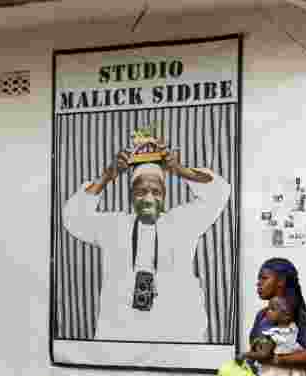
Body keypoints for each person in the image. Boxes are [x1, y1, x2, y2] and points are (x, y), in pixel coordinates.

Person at [62, 135, 230, 342]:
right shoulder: (114, 226)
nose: (149, 198)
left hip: (177, 332)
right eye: (141, 191)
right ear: (131, 195)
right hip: (122, 332)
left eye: (156, 191)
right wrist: (107, 176)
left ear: (164, 195)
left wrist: (180, 169)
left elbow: (219, 192)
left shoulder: (183, 222)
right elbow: (74, 218)